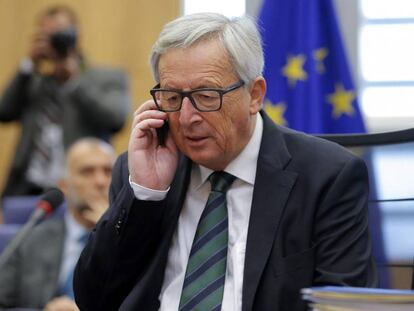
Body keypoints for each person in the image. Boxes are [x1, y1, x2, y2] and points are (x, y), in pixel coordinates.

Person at [74, 13, 377, 311]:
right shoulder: (140, 171)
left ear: (255, 95)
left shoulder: (326, 176)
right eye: (172, 97)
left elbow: (343, 302)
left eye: (206, 96)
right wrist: (146, 195)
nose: (186, 118)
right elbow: (95, 300)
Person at [0, 5, 129, 198]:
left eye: (60, 33)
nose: (55, 39)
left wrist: (74, 80)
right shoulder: (33, 82)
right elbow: (5, 112)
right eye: (47, 34)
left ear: (77, 34)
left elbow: (115, 120)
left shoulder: (106, 77)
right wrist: (29, 64)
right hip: (27, 190)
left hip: (80, 189)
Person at [0, 138, 115, 310]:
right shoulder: (30, 239)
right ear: (64, 186)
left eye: (108, 171)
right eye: (87, 172)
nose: (100, 181)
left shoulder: (131, 243)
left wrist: (110, 231)